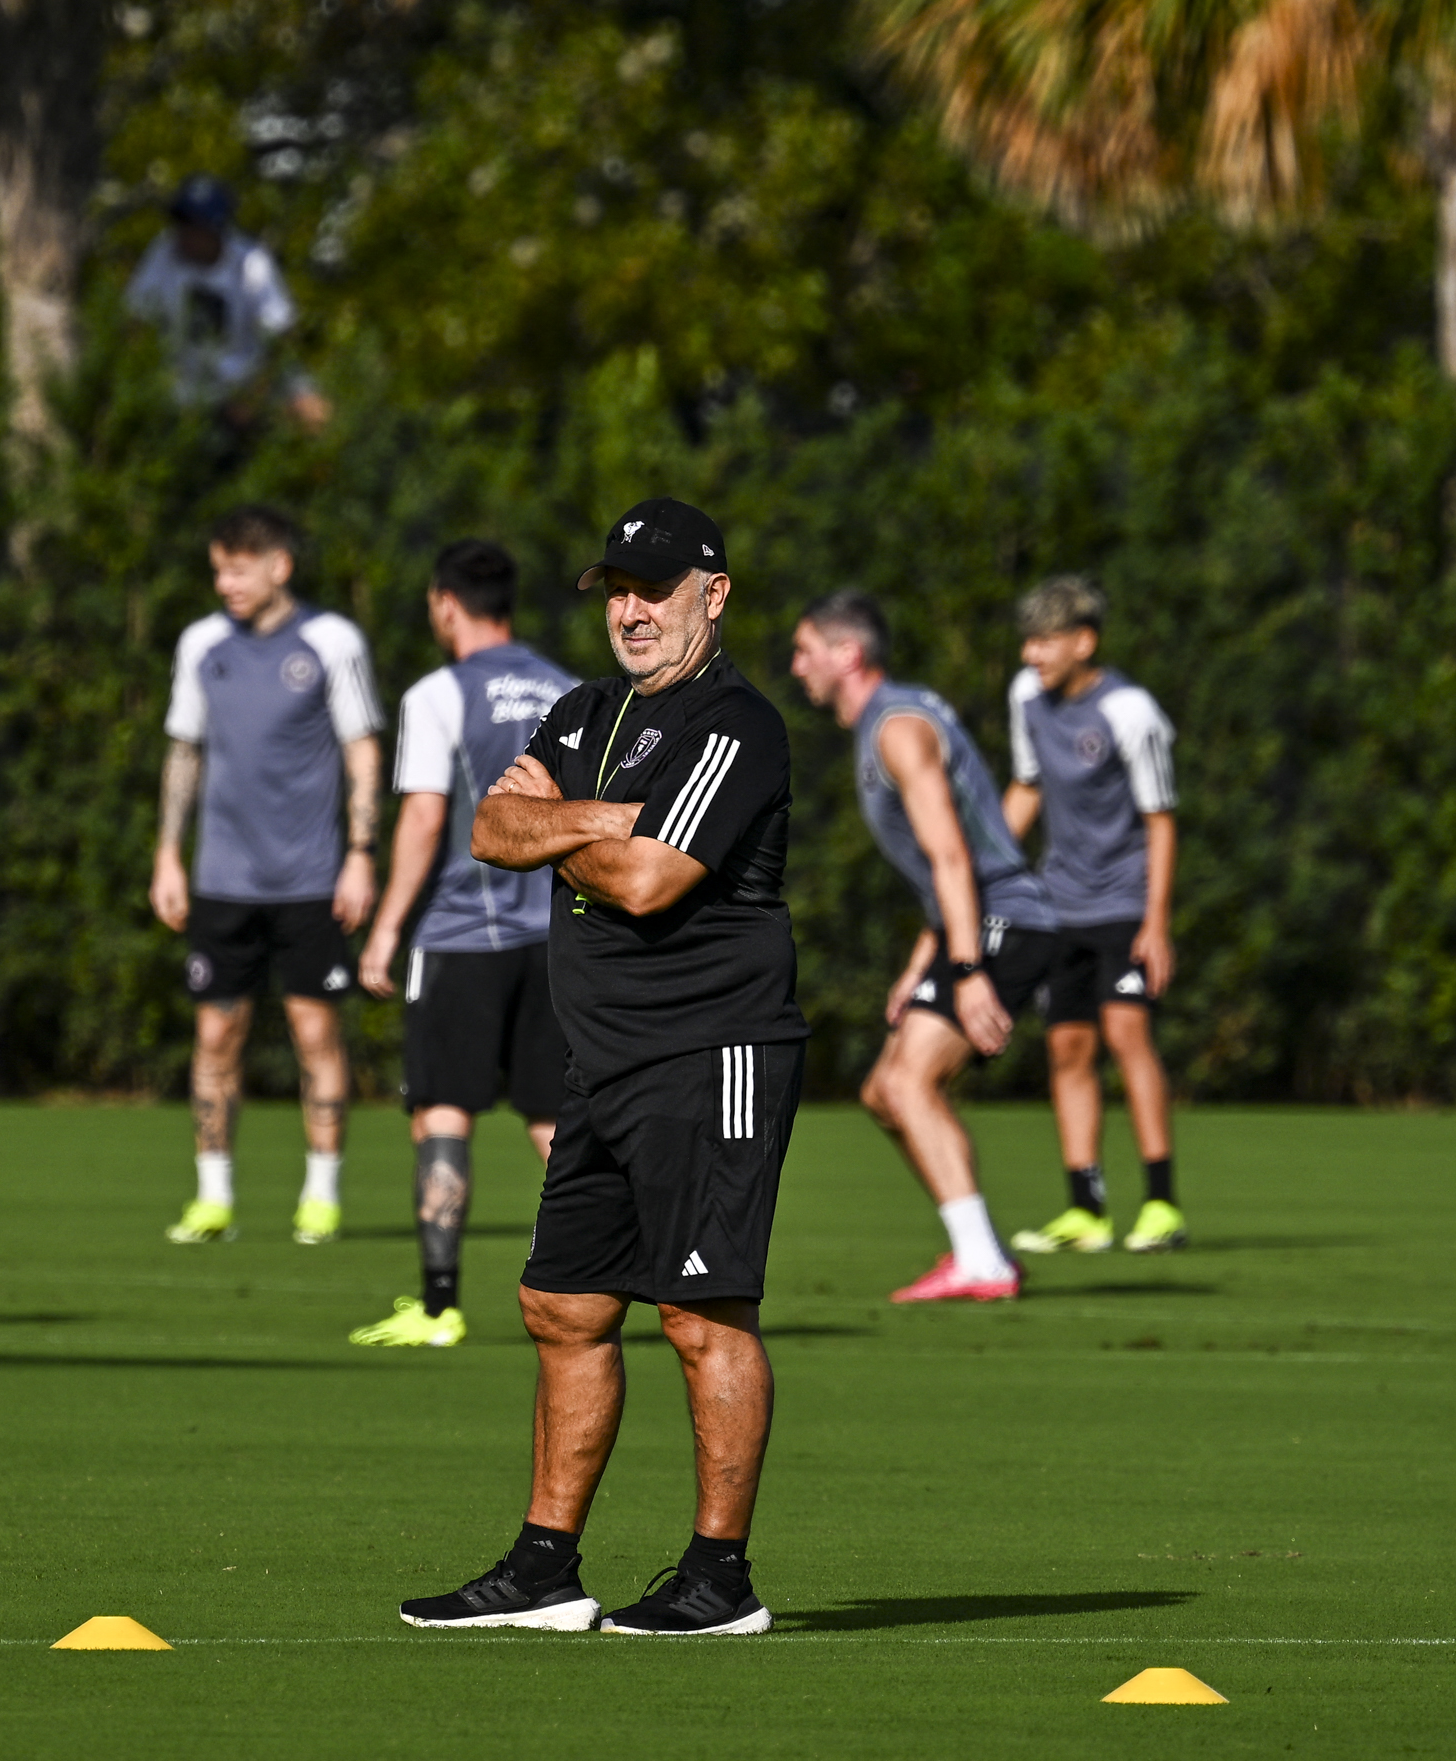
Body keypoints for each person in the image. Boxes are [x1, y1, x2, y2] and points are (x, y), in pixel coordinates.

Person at [399, 495, 801, 1639]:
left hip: (712, 1053)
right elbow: (487, 826)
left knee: (701, 1314)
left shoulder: (739, 723)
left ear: (712, 594)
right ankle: (543, 1567)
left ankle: (719, 1577)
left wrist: (571, 826)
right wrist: (611, 814)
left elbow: (650, 881)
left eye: (654, 587)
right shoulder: (585, 710)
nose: (629, 609)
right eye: (616, 587)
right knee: (562, 1302)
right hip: (604, 1062)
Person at [788, 589, 1054, 1304]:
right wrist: (921, 964)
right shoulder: (887, 722)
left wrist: (966, 971)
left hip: (1002, 922)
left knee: (910, 1083)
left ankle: (983, 1263)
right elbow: (946, 864)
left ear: (848, 655)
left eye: (805, 649)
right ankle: (983, 1250)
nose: (796, 666)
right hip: (975, 923)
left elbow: (953, 858)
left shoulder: (898, 728)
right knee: (884, 1091)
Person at [353, 539, 578, 1348]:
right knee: (556, 1122)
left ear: (446, 603)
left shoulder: (437, 694)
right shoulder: (565, 689)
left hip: (456, 936)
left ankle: (441, 1306)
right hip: (554, 937)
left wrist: (385, 929)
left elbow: (421, 817)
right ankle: (607, 1283)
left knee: (443, 1111)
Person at [151, 504, 382, 1247]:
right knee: (216, 1034)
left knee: (316, 1033)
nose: (224, 582)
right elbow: (184, 751)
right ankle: (212, 1196)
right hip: (221, 879)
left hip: (312, 881)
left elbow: (362, 751)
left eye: (238, 567)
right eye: (217, 568)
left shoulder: (331, 641)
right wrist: (167, 855)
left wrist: (361, 852)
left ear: (279, 566)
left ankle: (322, 1194)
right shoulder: (201, 645)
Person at [999, 575, 1186, 1256]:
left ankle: (1162, 1203)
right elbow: (1026, 788)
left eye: (1045, 640)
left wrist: (1156, 923)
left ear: (1085, 641)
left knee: (1128, 1036)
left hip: (1126, 906)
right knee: (1067, 1048)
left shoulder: (1131, 711)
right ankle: (1087, 1208)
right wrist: (984, 864)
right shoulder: (1026, 697)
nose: (1032, 654)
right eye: (1028, 640)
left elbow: (1161, 821)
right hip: (1060, 906)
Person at [120, 175, 325, 428]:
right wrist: (140, 380)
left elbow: (283, 338)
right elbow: (136, 323)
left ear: (216, 229)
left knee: (313, 412)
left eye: (193, 225)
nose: (183, 232)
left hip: (248, 380)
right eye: (179, 221)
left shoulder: (251, 262)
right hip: (186, 385)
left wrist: (251, 398)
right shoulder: (164, 253)